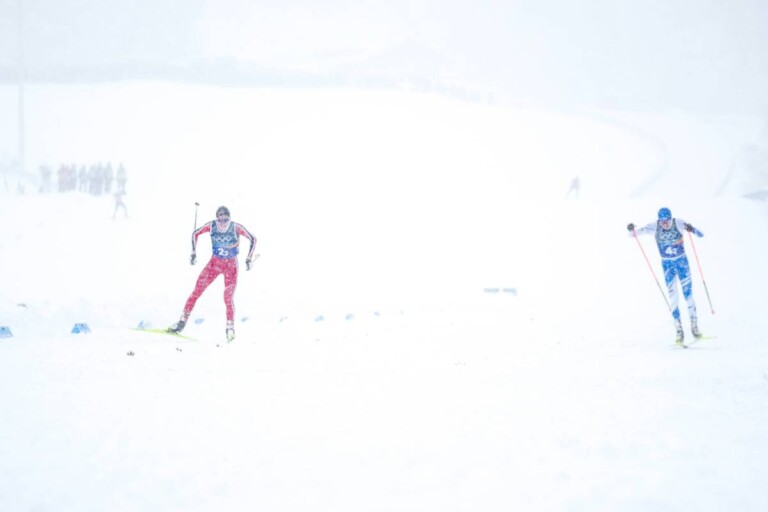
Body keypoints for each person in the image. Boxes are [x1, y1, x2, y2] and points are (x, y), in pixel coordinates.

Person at [168, 206, 257, 341]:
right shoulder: (212, 226)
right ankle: (181, 322)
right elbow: (195, 234)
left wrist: (249, 258)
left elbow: (253, 239)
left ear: (229, 218)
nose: (223, 222)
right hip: (214, 264)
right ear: (217, 218)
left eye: (226, 218)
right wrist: (193, 252)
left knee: (227, 297)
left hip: (230, 267)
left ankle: (230, 328)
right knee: (196, 291)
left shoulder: (235, 227)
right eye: (220, 219)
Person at [627, 207, 704, 344]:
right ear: (659, 220)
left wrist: (693, 230)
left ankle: (694, 327)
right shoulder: (654, 227)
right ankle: (679, 331)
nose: (665, 224)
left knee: (688, 295)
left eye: (667, 221)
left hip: (682, 264)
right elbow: (633, 235)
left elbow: (699, 233)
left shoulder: (678, 223)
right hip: (668, 267)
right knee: (673, 299)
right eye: (662, 222)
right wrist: (631, 229)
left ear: (671, 218)